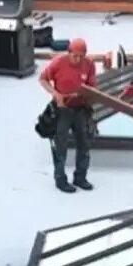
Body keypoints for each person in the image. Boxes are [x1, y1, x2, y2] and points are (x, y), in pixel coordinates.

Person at [39, 38, 97, 193]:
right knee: (60, 146)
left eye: (81, 56)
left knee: (84, 144)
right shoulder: (58, 63)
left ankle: (80, 177)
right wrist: (56, 94)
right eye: (75, 56)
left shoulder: (89, 65)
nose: (78, 59)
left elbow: (92, 86)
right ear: (69, 52)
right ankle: (60, 179)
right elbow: (43, 79)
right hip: (62, 110)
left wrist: (85, 95)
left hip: (80, 109)